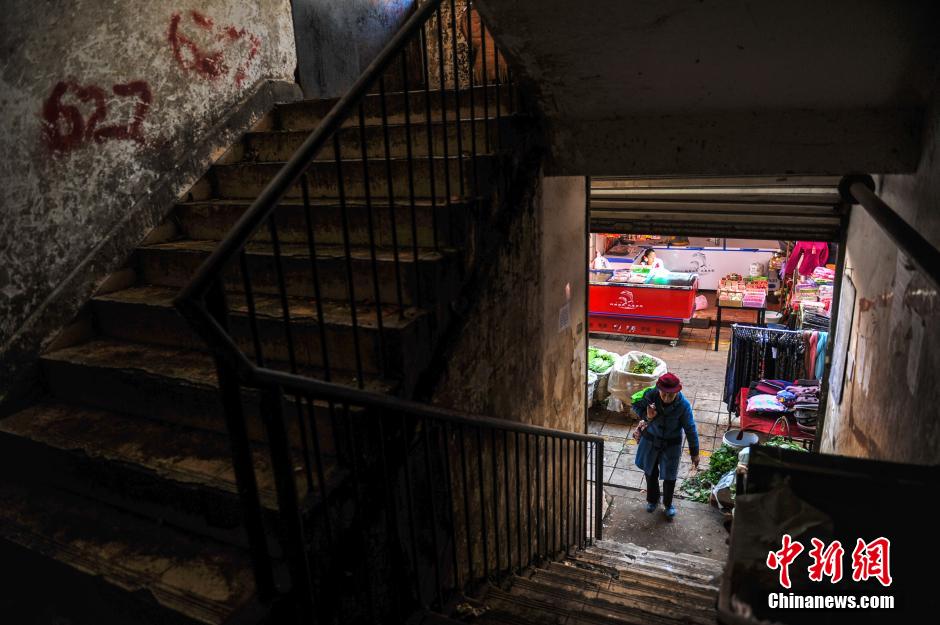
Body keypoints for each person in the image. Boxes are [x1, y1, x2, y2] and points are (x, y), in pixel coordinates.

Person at [631, 372, 699, 519]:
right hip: (650, 441)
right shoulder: (649, 396)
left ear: (677, 391)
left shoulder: (683, 405)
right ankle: (652, 500)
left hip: (671, 445)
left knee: (670, 476)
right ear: (659, 389)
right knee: (650, 472)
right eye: (664, 394)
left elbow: (690, 428)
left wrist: (695, 452)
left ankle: (668, 504)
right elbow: (634, 405)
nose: (667, 398)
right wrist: (647, 416)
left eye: (671, 395)